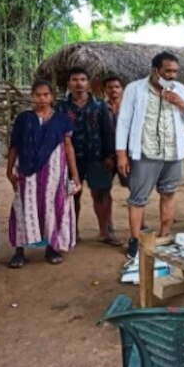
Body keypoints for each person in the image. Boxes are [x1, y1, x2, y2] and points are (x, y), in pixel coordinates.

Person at [115, 51, 184, 258]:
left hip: (173, 153)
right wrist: (121, 154)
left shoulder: (180, 89)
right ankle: (135, 240)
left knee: (169, 193)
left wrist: (181, 103)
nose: (172, 75)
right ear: (155, 70)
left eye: (175, 72)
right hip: (145, 152)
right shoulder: (135, 89)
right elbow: (124, 122)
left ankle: (165, 235)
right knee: (137, 199)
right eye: (167, 71)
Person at [6, 80, 82, 267]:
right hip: (27, 171)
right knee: (24, 206)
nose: (42, 98)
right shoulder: (24, 119)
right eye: (38, 95)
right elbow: (14, 146)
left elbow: (68, 147)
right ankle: (19, 250)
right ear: (32, 96)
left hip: (55, 172)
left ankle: (52, 247)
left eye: (45, 95)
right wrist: (9, 171)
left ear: (52, 97)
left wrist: (75, 176)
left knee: (53, 206)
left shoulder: (62, 120)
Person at [55, 66, 118, 246]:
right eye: (74, 80)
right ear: (68, 83)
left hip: (97, 157)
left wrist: (109, 155)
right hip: (69, 158)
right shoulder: (61, 107)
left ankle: (105, 232)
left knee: (101, 193)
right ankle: (72, 232)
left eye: (82, 79)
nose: (79, 84)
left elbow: (108, 132)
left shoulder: (99, 106)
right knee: (72, 194)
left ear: (88, 83)